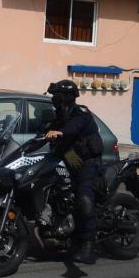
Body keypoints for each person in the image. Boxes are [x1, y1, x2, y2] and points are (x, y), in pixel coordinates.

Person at [43, 79, 104, 264]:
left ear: (67, 97)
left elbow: (74, 127)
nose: (54, 98)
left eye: (57, 95)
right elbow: (47, 128)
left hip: (89, 162)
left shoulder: (81, 113)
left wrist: (60, 133)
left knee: (84, 197)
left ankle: (88, 246)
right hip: (70, 163)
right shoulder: (60, 115)